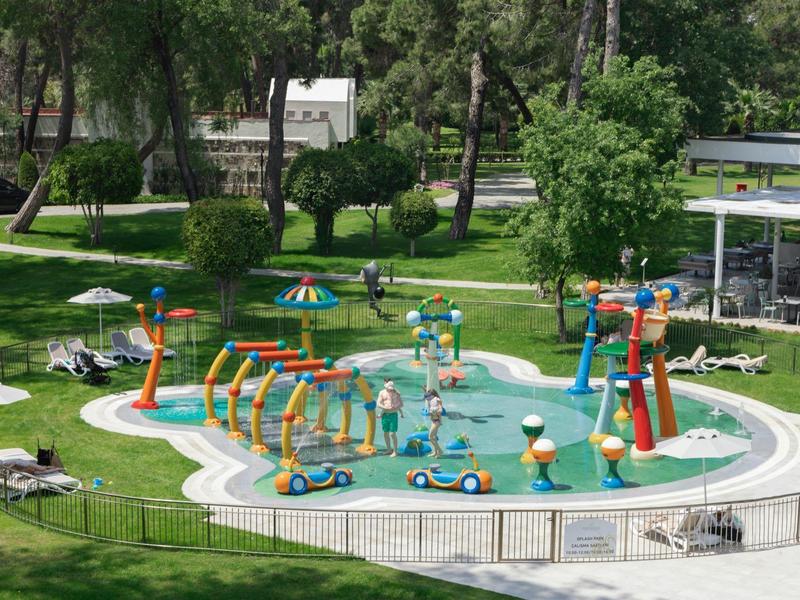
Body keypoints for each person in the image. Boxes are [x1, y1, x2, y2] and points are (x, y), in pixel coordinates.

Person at [376, 378, 404, 457]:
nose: (390, 391)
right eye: (389, 389)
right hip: (385, 415)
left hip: (393, 415)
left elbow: (401, 404)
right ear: (386, 387)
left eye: (391, 389)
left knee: (392, 433)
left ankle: (395, 451)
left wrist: (395, 407)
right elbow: (378, 403)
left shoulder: (396, 393)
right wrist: (385, 407)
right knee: (385, 432)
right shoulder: (382, 393)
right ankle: (388, 449)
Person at [424, 388, 444, 458]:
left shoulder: (437, 400)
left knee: (430, 437)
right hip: (433, 420)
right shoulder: (430, 401)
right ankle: (435, 452)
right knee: (434, 437)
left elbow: (440, 410)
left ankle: (440, 451)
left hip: (437, 421)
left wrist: (435, 411)